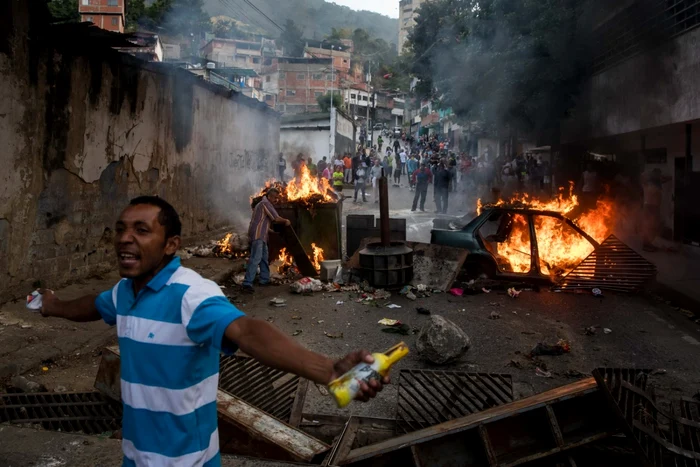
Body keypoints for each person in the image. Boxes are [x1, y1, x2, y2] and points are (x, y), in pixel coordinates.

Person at [38, 196, 387, 467]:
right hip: (136, 455)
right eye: (121, 229)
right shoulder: (124, 293)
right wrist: (53, 305)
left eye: (141, 231)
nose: (125, 239)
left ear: (171, 244)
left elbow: (248, 331)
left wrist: (326, 369)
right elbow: (94, 306)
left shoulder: (191, 294)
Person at [243, 188, 291, 293]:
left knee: (264, 258)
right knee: (255, 258)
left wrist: (271, 232)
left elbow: (262, 222)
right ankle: (247, 283)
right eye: (275, 198)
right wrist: (286, 221)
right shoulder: (265, 204)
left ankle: (264, 279)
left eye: (277, 198)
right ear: (269, 196)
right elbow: (276, 218)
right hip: (258, 235)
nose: (276, 200)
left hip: (262, 235)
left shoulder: (260, 204)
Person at [642, 168, 671, 252]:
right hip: (651, 208)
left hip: (651, 207)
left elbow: (665, 179)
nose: (660, 176)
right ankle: (647, 245)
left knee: (650, 226)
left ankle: (648, 244)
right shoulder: (653, 184)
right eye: (659, 174)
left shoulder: (651, 183)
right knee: (650, 226)